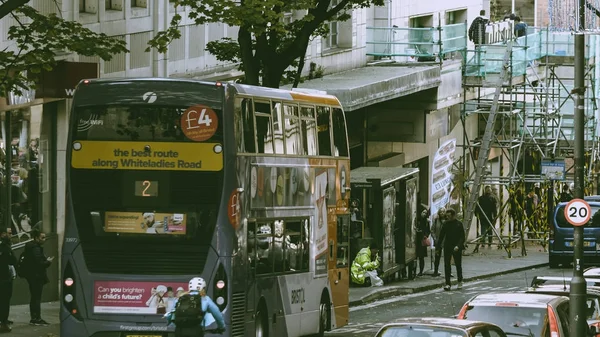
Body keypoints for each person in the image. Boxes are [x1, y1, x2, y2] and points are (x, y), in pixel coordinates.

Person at [23, 229, 53, 326]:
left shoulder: (32, 247)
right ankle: (36, 318)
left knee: (34, 297)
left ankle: (34, 317)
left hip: (32, 276)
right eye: (42, 237)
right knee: (36, 297)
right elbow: (39, 264)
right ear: (36, 238)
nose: (44, 239)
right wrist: (48, 262)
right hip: (36, 276)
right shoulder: (35, 248)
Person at [437, 209, 465, 291]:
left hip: (456, 246)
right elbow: (441, 236)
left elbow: (462, 237)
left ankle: (460, 280)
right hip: (447, 246)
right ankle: (448, 283)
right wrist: (438, 248)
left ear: (453, 215)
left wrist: (458, 246)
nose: (447, 217)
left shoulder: (459, 224)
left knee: (458, 264)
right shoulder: (445, 224)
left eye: (449, 216)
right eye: (447, 216)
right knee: (447, 265)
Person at [0, 228, 16, 333]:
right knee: (5, 301)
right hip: (4, 278)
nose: (10, 235)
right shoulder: (5, 247)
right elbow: (12, 260)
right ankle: (3, 323)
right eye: (8, 233)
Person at [431, 207, 446, 277]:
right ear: (439, 213)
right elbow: (432, 230)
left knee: (447, 257)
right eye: (441, 212)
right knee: (437, 256)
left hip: (446, 241)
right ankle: (435, 271)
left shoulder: (447, 220)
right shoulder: (436, 220)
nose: (442, 213)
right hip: (438, 242)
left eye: (443, 212)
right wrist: (434, 238)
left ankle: (448, 272)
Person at [415, 209, 431, 277]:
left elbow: (428, 231)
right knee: (415, 257)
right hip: (416, 240)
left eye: (425, 213)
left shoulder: (426, 222)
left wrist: (425, 235)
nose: (424, 214)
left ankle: (421, 271)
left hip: (422, 240)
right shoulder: (416, 220)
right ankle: (414, 271)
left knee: (421, 257)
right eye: (423, 212)